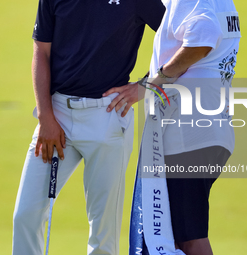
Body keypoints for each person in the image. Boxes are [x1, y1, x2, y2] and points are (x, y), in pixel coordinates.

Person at [12, 1, 165, 255]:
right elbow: (41, 50)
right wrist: (45, 117)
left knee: (103, 235)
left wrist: (144, 87)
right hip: (56, 118)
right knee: (25, 215)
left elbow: (178, 38)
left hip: (108, 117)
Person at [104, 0, 241, 254]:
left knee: (189, 236)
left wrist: (150, 85)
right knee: (177, 235)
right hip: (212, 128)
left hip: (188, 133)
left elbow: (203, 37)